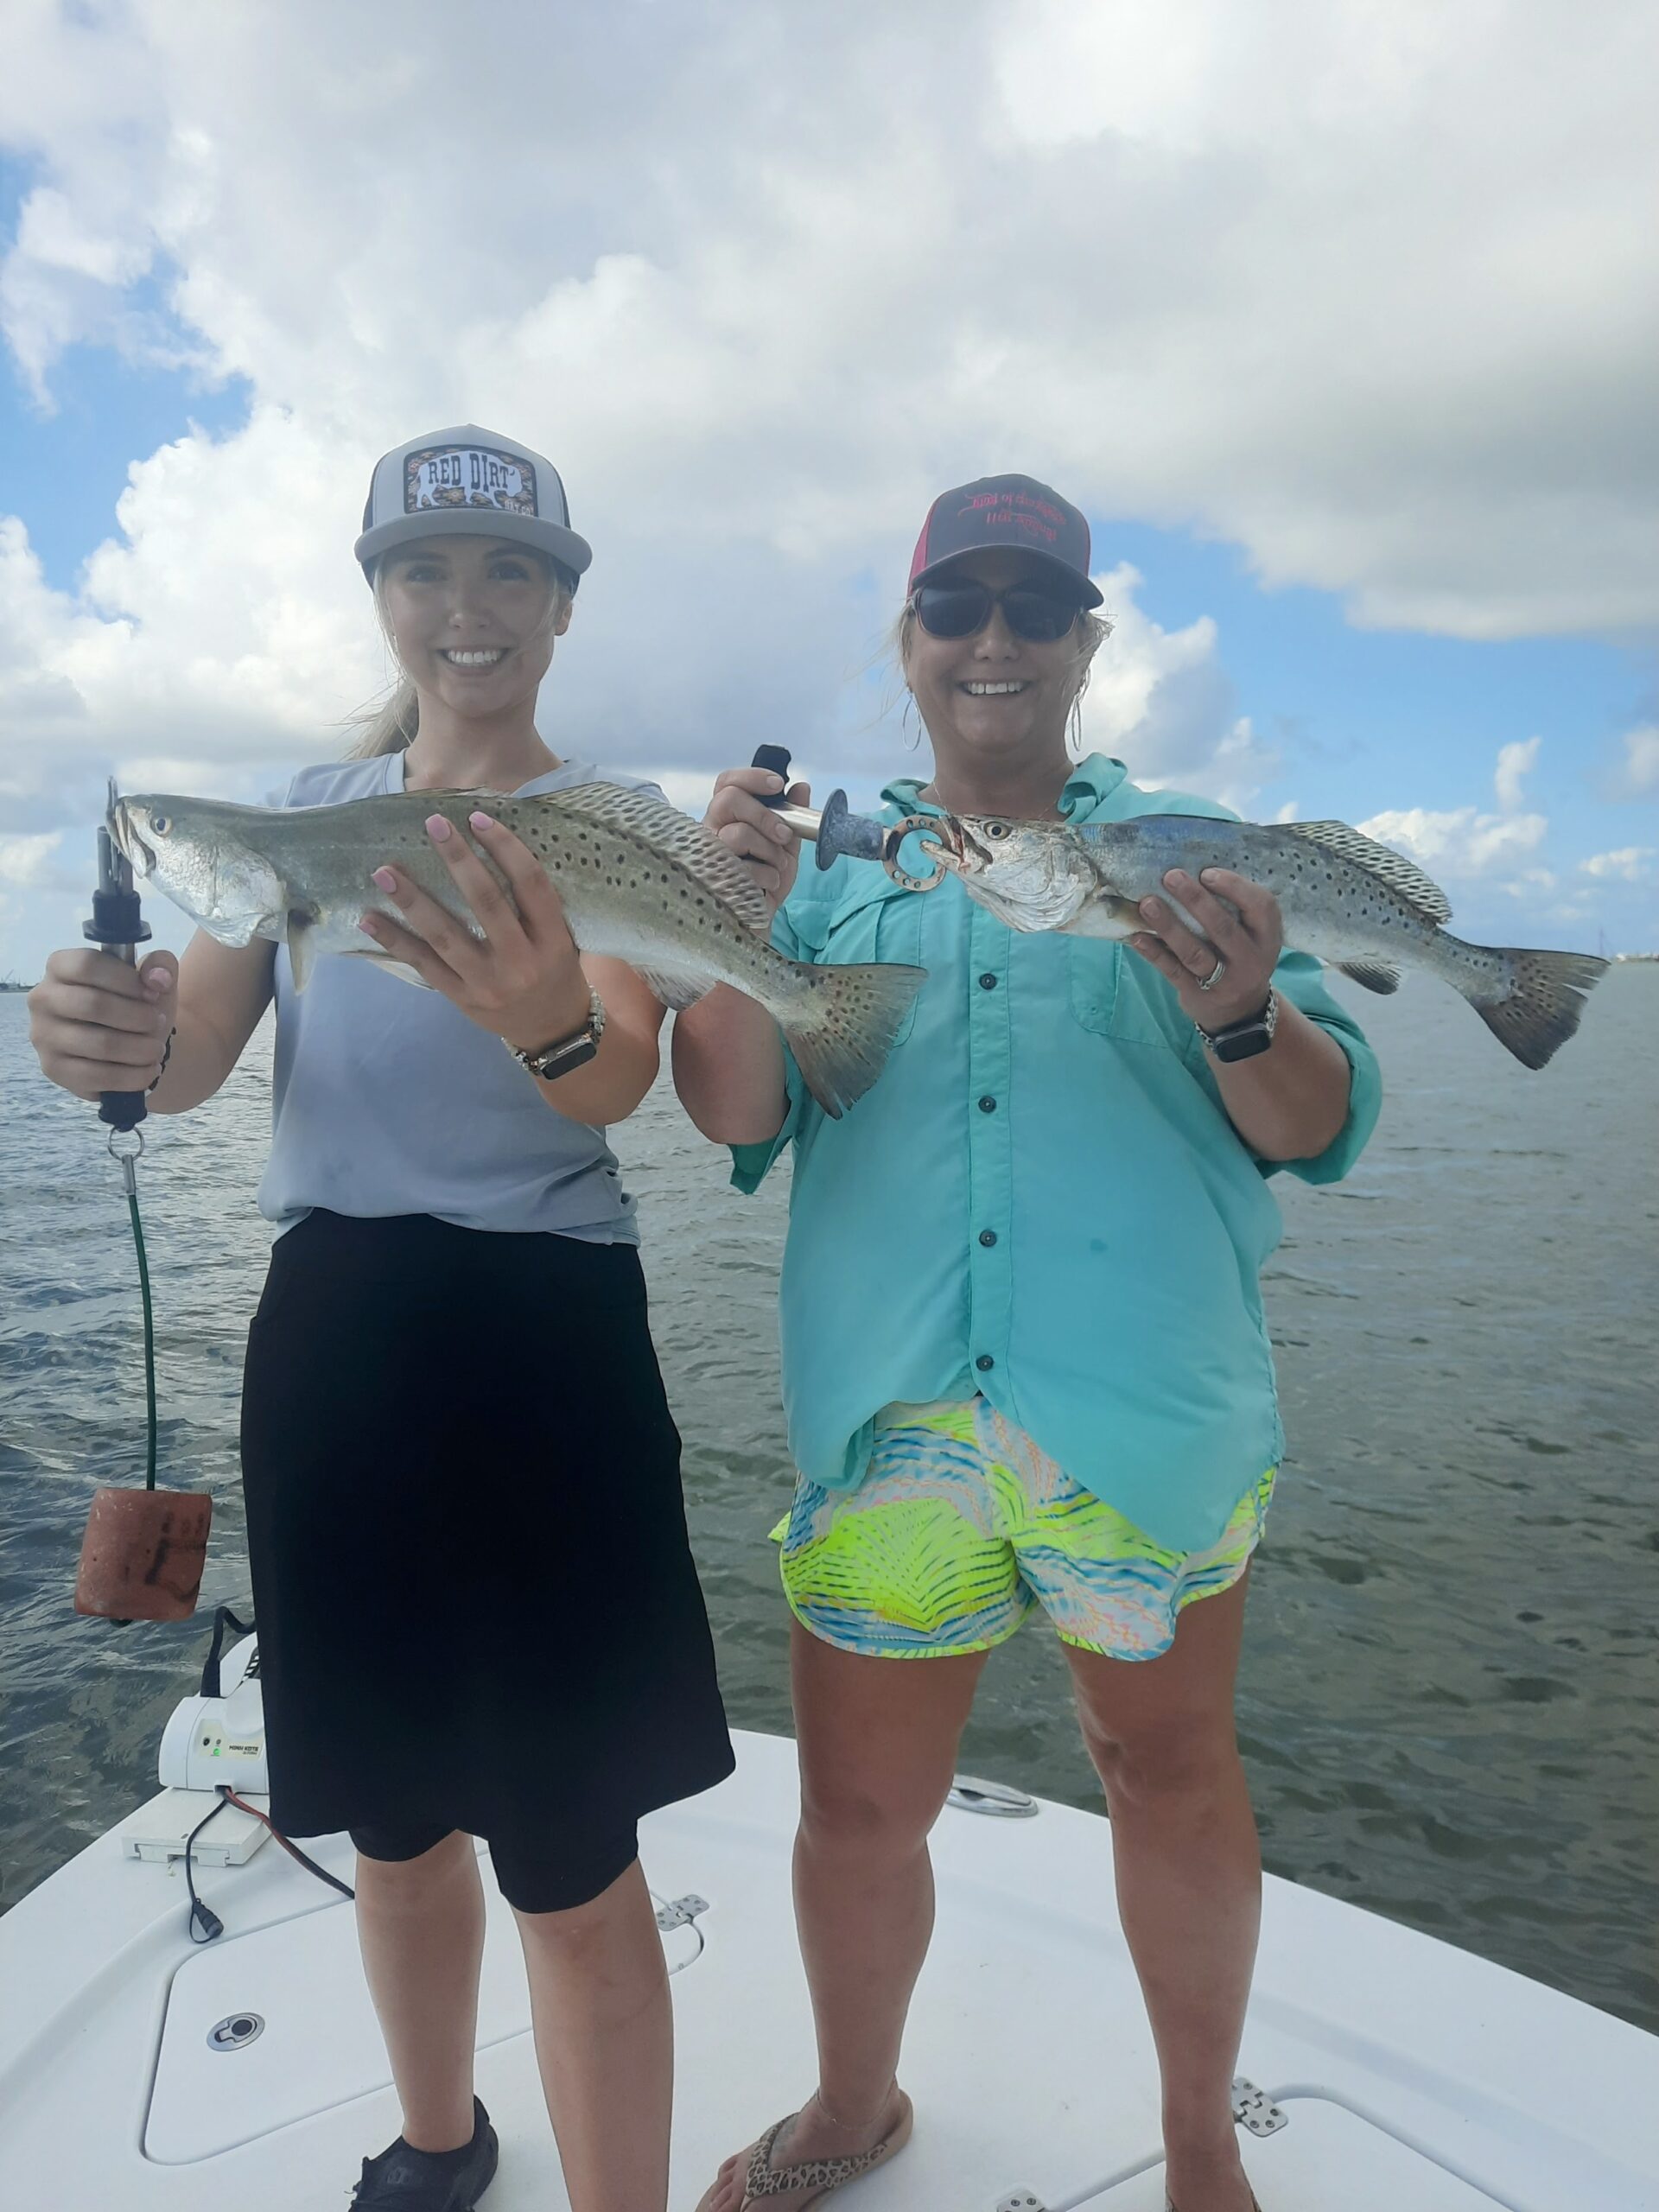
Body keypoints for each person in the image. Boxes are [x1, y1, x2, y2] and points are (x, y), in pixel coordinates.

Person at [28, 424, 734, 2212]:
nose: (466, 605)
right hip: (333, 1337)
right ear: (380, 596)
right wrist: (106, 1039)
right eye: (425, 568)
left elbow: (618, 1075)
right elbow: (193, 1054)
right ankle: (438, 2138)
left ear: (563, 606)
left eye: (510, 570)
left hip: (546, 1339)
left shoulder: (608, 825)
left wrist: (542, 1010)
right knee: (396, 1825)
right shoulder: (296, 815)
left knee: (569, 1854)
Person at [673, 475, 1381, 2212]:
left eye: (1034, 607)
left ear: (1084, 641)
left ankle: (1201, 2146)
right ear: (909, 640)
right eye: (957, 606)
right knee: (858, 1808)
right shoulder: (828, 872)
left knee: (1168, 1770)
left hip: (1141, 1416)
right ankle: (855, 2104)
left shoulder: (1195, 855)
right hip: (893, 1416)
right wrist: (726, 925)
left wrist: (1240, 1009)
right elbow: (735, 1109)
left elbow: (1317, 1125)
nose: (993, 639)